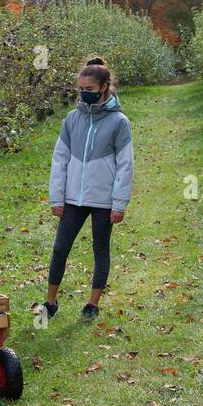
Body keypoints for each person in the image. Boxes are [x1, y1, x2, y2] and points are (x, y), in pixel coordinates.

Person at [43, 56, 134, 322]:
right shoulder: (72, 120)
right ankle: (50, 302)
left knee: (100, 249)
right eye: (81, 89)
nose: (84, 94)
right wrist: (56, 197)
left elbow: (125, 165)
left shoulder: (119, 122)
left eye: (90, 90)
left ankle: (92, 304)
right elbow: (59, 159)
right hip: (72, 198)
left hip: (103, 200)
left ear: (105, 87)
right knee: (60, 248)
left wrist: (119, 204)